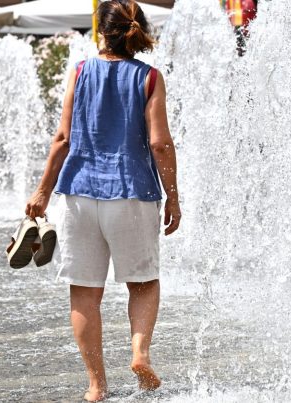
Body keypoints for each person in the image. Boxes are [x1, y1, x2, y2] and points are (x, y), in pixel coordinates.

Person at [24, 0, 181, 401]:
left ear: (101, 32)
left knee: (84, 291)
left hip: (79, 195)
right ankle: (139, 353)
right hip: (131, 195)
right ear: (136, 31)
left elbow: (62, 139)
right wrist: (174, 198)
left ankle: (96, 385)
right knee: (142, 283)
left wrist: (42, 192)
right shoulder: (149, 78)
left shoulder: (80, 71)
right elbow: (160, 144)